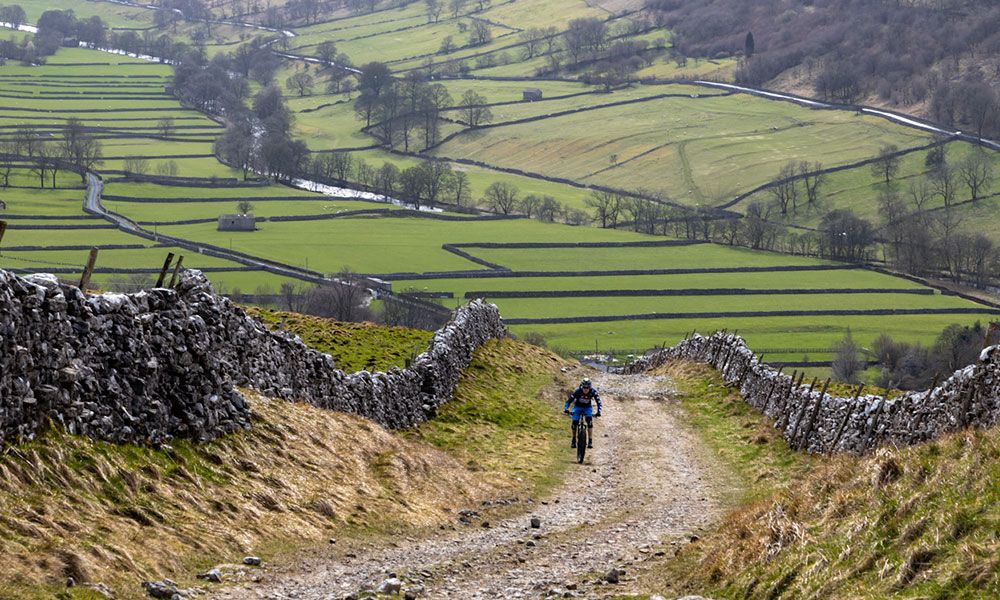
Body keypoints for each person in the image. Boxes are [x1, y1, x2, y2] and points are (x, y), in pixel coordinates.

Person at [564, 377, 602, 449]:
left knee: (589, 421)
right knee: (574, 422)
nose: (586, 389)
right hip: (577, 407)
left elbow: (599, 402)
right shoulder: (578, 391)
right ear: (582, 386)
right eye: (584, 387)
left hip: (587, 408)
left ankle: (590, 440)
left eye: (587, 387)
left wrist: (598, 412)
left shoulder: (593, 392)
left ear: (590, 387)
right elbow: (569, 401)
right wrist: (566, 409)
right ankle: (574, 439)